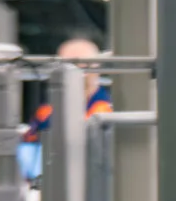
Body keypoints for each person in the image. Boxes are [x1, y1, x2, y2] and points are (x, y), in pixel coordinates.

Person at [17, 33, 112, 182]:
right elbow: (29, 149)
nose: (80, 71)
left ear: (97, 66)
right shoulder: (46, 111)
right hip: (52, 182)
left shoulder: (106, 110)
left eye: (85, 65)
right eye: (70, 65)